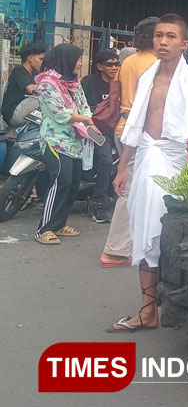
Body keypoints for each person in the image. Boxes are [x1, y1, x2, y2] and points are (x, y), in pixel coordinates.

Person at [107, 14, 188, 333]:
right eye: (159, 36)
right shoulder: (147, 75)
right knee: (144, 232)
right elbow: (135, 126)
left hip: (173, 161)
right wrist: (123, 167)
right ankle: (149, 310)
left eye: (171, 37)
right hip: (146, 159)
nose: (163, 41)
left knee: (162, 237)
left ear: (184, 44)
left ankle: (157, 308)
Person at [99, 17, 159, 268]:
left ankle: (129, 245)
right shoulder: (156, 65)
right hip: (140, 132)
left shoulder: (129, 62)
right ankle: (115, 250)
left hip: (122, 128)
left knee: (134, 188)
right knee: (130, 190)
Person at [34, 44, 94, 245]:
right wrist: (85, 120)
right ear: (65, 60)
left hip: (74, 141)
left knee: (73, 183)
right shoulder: (47, 84)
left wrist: (88, 119)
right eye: (77, 59)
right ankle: (44, 228)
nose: (80, 63)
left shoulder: (74, 83)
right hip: (54, 140)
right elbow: (60, 113)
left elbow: (84, 105)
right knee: (61, 181)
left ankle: (59, 223)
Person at [81, 48, 119, 223]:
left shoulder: (120, 83)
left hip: (116, 129)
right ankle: (98, 202)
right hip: (91, 128)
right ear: (99, 66)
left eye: (116, 64)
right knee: (106, 159)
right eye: (110, 64)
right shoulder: (88, 82)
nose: (114, 67)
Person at [2, 43, 47, 127]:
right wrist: (51, 86)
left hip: (24, 109)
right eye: (41, 59)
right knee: (43, 98)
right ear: (30, 58)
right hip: (13, 113)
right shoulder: (19, 71)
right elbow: (30, 88)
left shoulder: (35, 73)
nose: (43, 62)